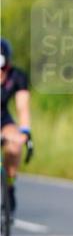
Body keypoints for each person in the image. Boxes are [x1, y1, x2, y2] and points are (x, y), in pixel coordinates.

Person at [1, 38, 32, 211]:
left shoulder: (17, 76)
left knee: (14, 145)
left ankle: (9, 186)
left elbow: (23, 108)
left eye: (2, 69)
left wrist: (25, 132)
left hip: (3, 119)